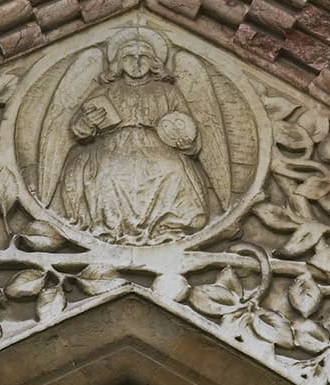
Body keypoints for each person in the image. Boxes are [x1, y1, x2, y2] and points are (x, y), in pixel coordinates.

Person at [54, 31, 216, 244]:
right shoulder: (107, 90)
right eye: (129, 57)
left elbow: (186, 127)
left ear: (154, 62)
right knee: (108, 172)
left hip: (158, 145)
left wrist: (186, 143)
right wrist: (88, 122)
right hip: (112, 145)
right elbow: (78, 128)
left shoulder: (168, 92)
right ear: (118, 63)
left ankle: (171, 223)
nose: (137, 62)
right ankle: (109, 228)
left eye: (144, 57)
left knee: (173, 170)